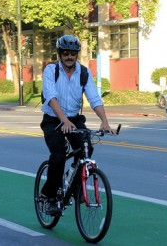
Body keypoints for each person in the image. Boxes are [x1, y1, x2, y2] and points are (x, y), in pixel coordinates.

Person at [40, 35, 115, 215]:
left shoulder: (83, 73)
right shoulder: (51, 70)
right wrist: (63, 120)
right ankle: (50, 197)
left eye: (73, 53)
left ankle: (75, 187)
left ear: (77, 55)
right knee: (58, 155)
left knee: (86, 149)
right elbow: (51, 97)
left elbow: (94, 98)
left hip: (74, 118)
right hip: (53, 119)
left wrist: (104, 122)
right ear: (60, 54)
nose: (69, 57)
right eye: (65, 53)